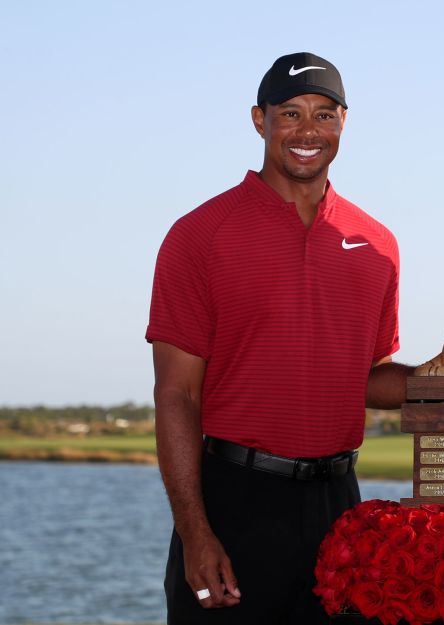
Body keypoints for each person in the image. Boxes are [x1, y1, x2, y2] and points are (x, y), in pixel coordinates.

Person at [146, 52, 411, 624]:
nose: (307, 131)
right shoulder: (199, 236)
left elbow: (369, 377)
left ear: (344, 121)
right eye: (289, 114)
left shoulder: (377, 244)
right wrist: (195, 533)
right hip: (234, 501)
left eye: (323, 114)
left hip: (340, 505)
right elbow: (177, 397)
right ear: (258, 119)